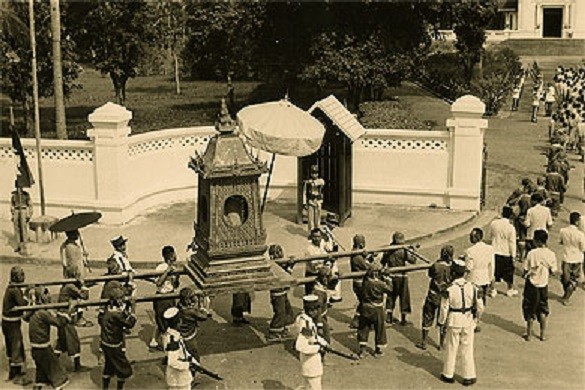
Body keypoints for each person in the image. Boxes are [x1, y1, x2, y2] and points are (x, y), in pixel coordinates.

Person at [438, 258, 482, 386]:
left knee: (451, 347)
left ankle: (448, 374)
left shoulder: (449, 289)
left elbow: (444, 307)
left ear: (453, 273)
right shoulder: (473, 287)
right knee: (467, 348)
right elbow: (480, 305)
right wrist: (477, 318)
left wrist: (442, 321)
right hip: (468, 319)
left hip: (454, 319)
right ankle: (469, 375)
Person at [24, 286, 70, 390]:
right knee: (58, 376)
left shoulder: (32, 312)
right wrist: (69, 310)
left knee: (41, 377)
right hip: (44, 349)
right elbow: (60, 323)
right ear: (41, 298)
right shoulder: (43, 314)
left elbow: (26, 317)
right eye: (46, 294)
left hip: (35, 350)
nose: (48, 296)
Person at [522, 230, 557, 342]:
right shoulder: (551, 254)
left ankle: (529, 334)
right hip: (543, 284)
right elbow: (553, 271)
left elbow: (525, 269)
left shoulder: (531, 253)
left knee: (530, 308)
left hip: (531, 284)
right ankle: (543, 334)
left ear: (536, 240)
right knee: (543, 309)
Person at [416, 245, 453, 351]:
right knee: (443, 319)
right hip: (445, 297)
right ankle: (441, 344)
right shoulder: (452, 267)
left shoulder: (436, 265)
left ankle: (424, 341)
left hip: (433, 295)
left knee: (427, 316)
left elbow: (430, 274)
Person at [55, 265, 90, 372]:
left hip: (61, 316)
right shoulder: (70, 286)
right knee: (74, 341)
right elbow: (85, 296)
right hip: (66, 318)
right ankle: (77, 366)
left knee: (61, 343)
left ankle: (52, 364)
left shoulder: (67, 284)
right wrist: (83, 284)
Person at [100, 286, 137, 389]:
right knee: (123, 369)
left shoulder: (108, 308)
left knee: (109, 366)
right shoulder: (115, 314)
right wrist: (133, 307)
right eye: (119, 298)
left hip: (105, 342)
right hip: (114, 345)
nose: (121, 301)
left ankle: (105, 388)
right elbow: (130, 323)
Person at [357, 262, 392, 358]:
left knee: (364, 328)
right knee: (379, 328)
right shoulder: (379, 284)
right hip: (376, 309)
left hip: (365, 308)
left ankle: (362, 350)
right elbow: (390, 289)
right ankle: (378, 350)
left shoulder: (366, 282)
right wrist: (387, 278)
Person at [2, 266, 30, 385]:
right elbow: (22, 303)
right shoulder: (14, 290)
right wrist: (28, 294)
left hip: (7, 322)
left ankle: (14, 372)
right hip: (11, 323)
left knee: (13, 346)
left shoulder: (12, 287)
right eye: (21, 275)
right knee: (16, 347)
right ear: (15, 277)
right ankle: (16, 376)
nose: (23, 277)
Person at [149, 246, 180, 352]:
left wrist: (176, 277)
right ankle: (166, 348)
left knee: (170, 321)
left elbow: (175, 285)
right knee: (163, 322)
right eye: (174, 254)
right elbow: (158, 282)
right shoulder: (161, 267)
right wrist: (167, 272)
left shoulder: (174, 268)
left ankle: (155, 341)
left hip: (170, 296)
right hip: (162, 297)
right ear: (170, 256)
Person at [381, 232, 416, 325]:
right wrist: (413, 251)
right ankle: (403, 319)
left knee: (391, 296)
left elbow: (382, 262)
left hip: (391, 276)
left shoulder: (388, 250)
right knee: (404, 297)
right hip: (402, 276)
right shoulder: (403, 250)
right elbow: (412, 261)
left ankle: (389, 316)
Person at [294, 295, 327, 390]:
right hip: (311, 362)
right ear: (309, 310)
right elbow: (300, 346)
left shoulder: (303, 319)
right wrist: (318, 348)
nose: (315, 312)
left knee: (304, 385)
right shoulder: (306, 324)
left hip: (308, 362)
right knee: (316, 387)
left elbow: (313, 336)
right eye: (313, 310)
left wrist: (323, 342)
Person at [176, 286, 209, 384]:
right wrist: (204, 307)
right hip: (189, 338)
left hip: (181, 336)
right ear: (187, 300)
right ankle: (190, 378)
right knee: (194, 358)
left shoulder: (180, 306)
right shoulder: (190, 312)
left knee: (183, 356)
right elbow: (204, 317)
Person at [464, 228, 494, 332]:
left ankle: (472, 321)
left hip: (473, 279)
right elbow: (491, 266)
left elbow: (469, 267)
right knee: (482, 301)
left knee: (472, 302)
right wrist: (491, 280)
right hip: (484, 278)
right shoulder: (489, 249)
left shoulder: (469, 251)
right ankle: (477, 321)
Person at [488, 206, 518, 297]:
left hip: (494, 250)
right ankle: (510, 289)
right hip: (506, 252)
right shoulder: (511, 227)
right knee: (509, 273)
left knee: (493, 271)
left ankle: (492, 289)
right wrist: (513, 255)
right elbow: (512, 242)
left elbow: (490, 236)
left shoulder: (494, 223)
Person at [267, 244, 295, 342]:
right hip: (277, 294)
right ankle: (273, 332)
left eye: (279, 252)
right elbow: (286, 275)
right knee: (280, 312)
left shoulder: (280, 264)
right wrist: (290, 266)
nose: (279, 254)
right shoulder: (273, 266)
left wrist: (290, 264)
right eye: (276, 253)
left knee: (288, 312)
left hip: (283, 292)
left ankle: (282, 329)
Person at [559, 212, 585, 305]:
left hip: (566, 257)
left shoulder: (563, 231)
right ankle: (567, 298)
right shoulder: (580, 234)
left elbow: (561, 241)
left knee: (565, 278)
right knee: (574, 279)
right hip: (577, 258)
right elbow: (583, 248)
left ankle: (566, 293)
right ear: (577, 222)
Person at [163, 307, 192, 390]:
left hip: (177, 378)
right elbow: (172, 362)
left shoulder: (172, 335)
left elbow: (183, 351)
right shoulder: (173, 339)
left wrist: (193, 361)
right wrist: (187, 365)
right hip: (179, 380)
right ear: (178, 322)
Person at [349, 234, 373, 329]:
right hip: (359, 282)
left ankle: (361, 319)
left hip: (360, 281)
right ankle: (357, 320)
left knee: (364, 301)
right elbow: (367, 267)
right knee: (364, 301)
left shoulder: (357, 254)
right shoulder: (357, 257)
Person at [304, 228, 334, 295]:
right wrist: (326, 260)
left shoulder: (322, 242)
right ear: (311, 237)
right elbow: (314, 265)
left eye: (318, 236)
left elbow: (330, 248)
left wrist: (329, 235)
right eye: (315, 237)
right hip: (313, 273)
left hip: (323, 273)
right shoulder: (309, 249)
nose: (317, 239)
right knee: (311, 296)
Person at [10, 184, 32, 254]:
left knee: (23, 228)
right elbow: (12, 205)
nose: (19, 188)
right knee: (16, 228)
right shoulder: (14, 195)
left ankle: (25, 246)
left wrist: (29, 215)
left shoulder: (26, 195)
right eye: (17, 187)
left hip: (23, 210)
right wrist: (13, 214)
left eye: (20, 186)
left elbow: (30, 205)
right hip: (16, 210)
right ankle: (18, 245)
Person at [303, 165, 325, 233]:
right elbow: (304, 192)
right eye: (313, 173)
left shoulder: (320, 180)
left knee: (317, 218)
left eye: (316, 173)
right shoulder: (308, 183)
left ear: (318, 174)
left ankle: (317, 231)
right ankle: (311, 232)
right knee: (310, 218)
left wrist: (310, 182)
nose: (314, 175)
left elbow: (320, 183)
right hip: (311, 201)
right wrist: (304, 203)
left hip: (318, 201)